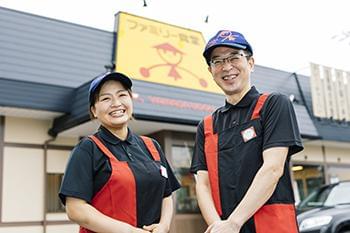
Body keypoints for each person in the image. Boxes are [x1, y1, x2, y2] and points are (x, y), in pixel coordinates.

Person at [190, 30, 304, 233]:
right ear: (210, 70)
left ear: (250, 63)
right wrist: (218, 226)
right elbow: (202, 184)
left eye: (234, 57)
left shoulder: (273, 104)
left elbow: (273, 168)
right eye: (217, 61)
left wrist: (234, 222)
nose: (227, 67)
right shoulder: (207, 126)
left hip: (272, 226)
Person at [59, 71, 180, 233]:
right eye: (106, 98)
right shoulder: (88, 149)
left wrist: (163, 226)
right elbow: (75, 209)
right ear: (94, 110)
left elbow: (166, 194)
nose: (116, 103)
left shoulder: (152, 146)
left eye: (122, 95)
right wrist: (129, 231)